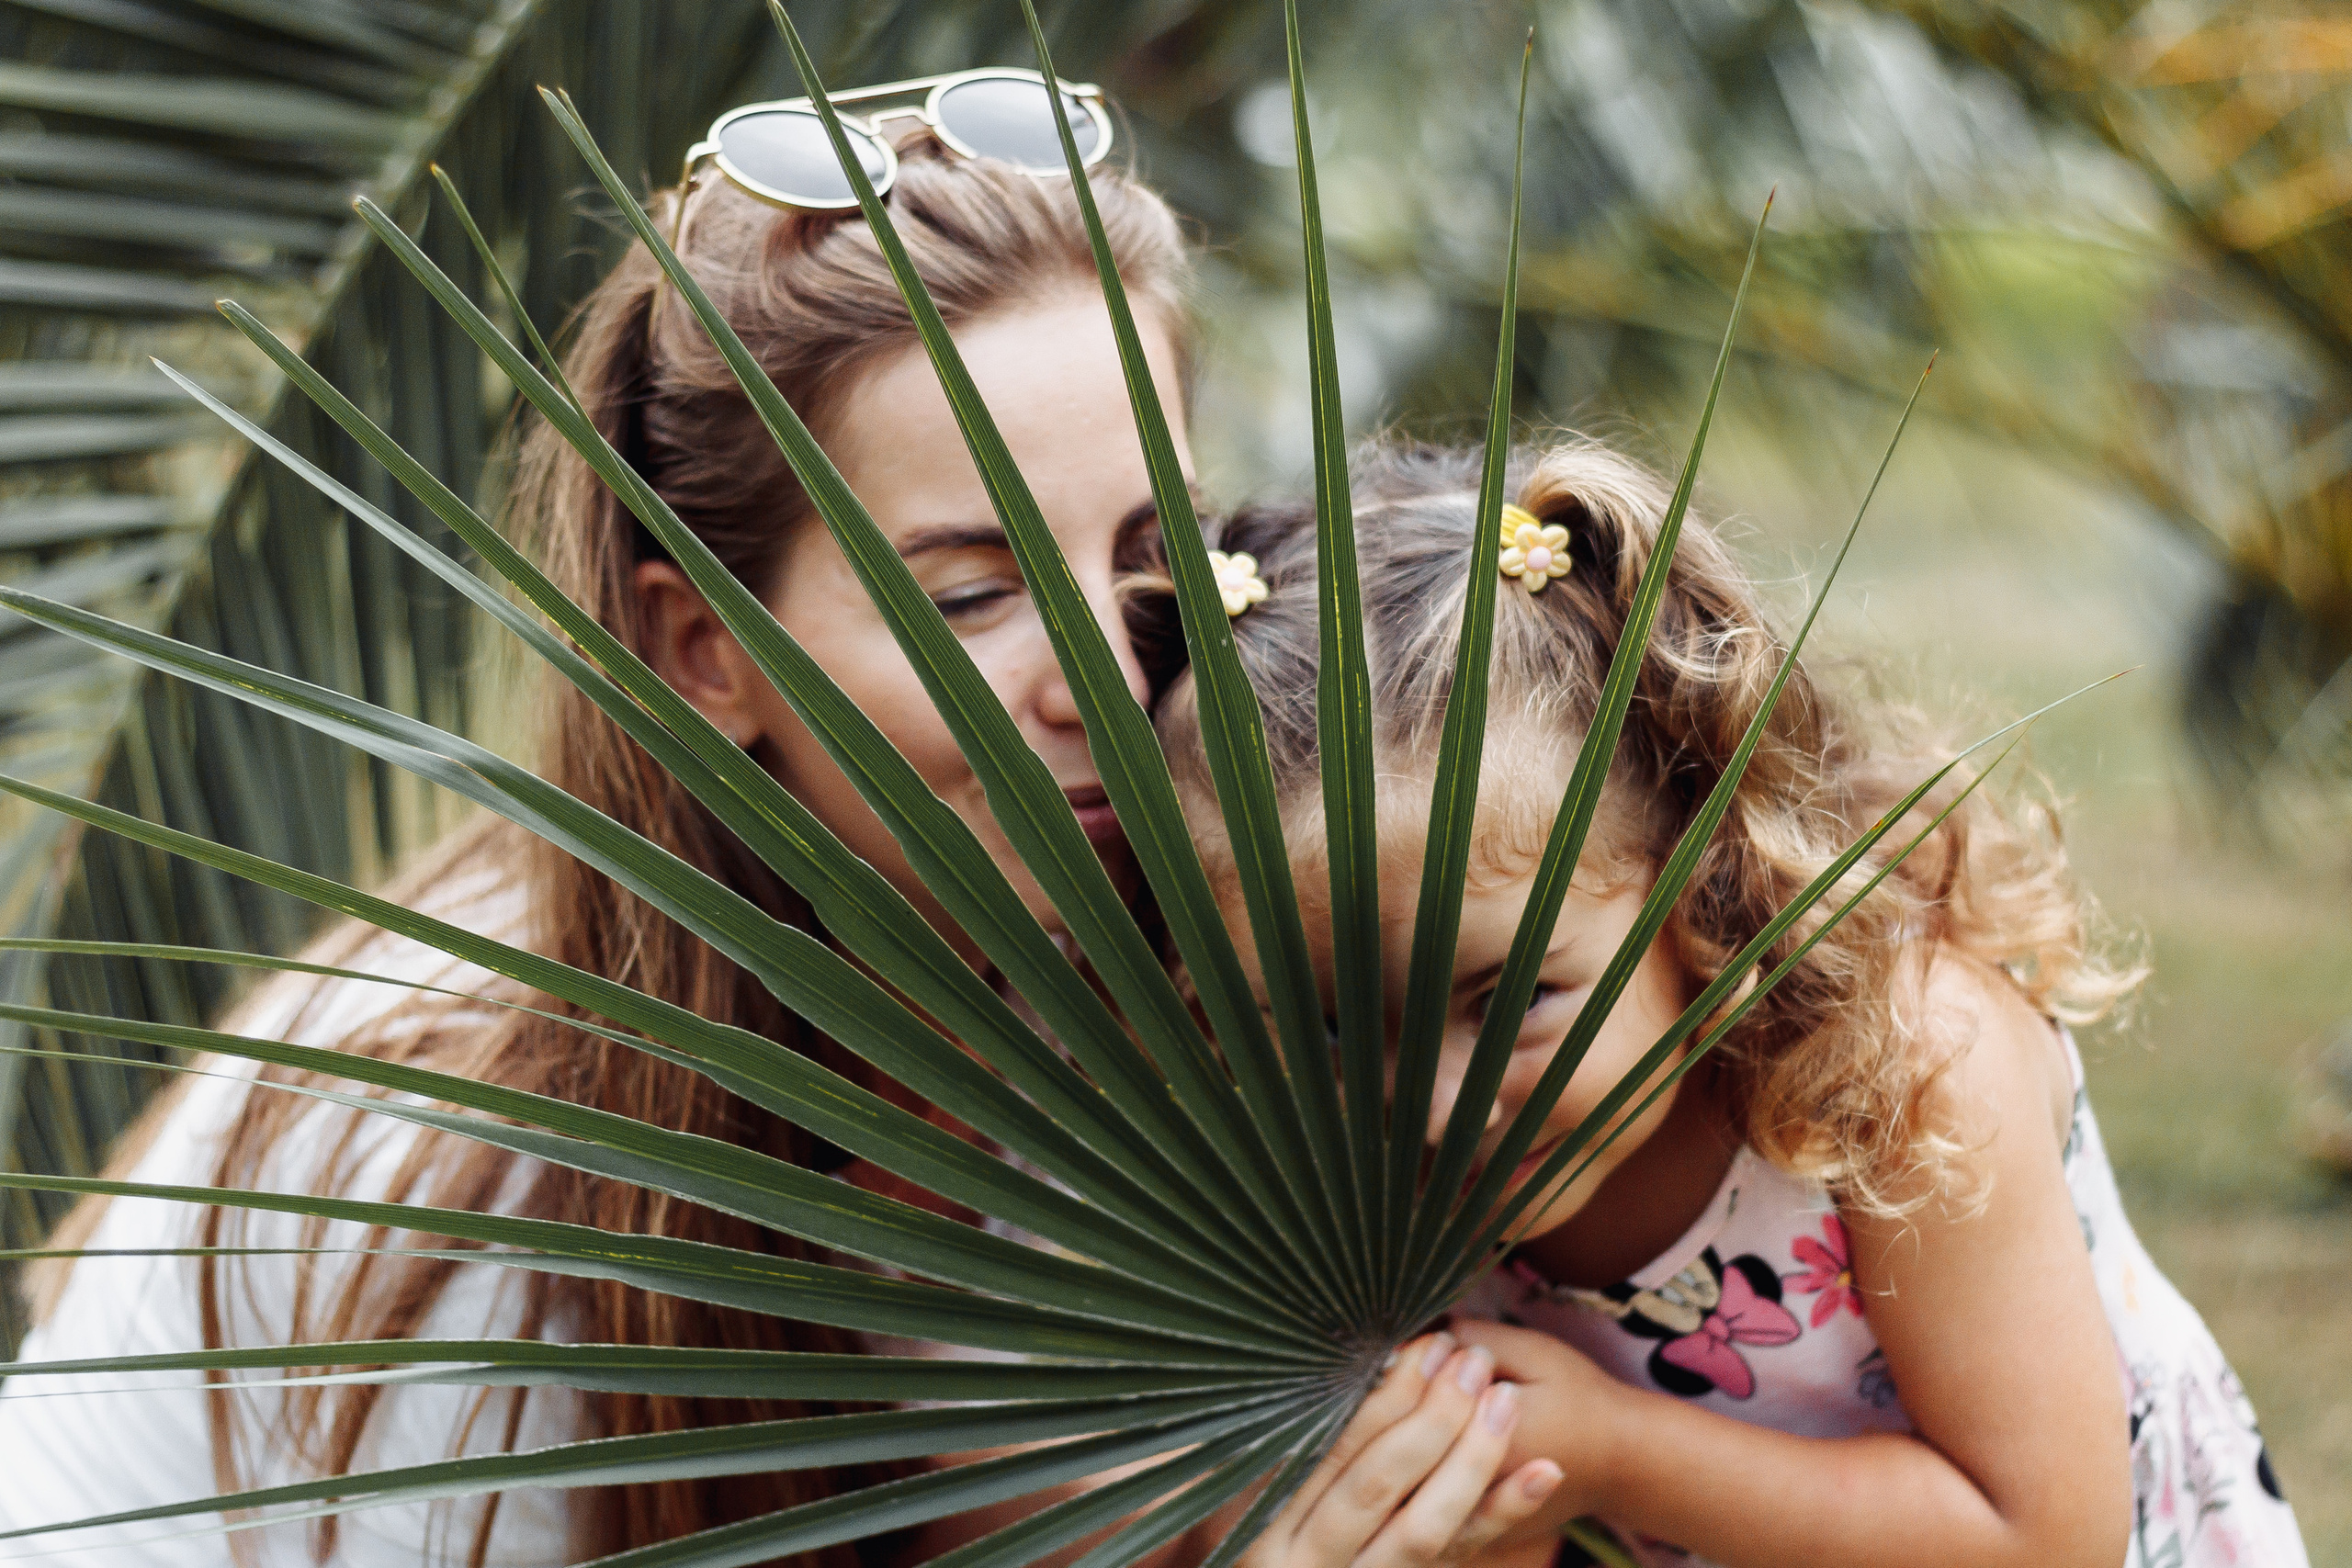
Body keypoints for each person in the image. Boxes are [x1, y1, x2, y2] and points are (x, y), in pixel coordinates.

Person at [0, 88, 1198, 1566]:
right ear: (705, 652)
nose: (1110, 673)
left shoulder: (1195, 999)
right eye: (966, 593)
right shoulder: (458, 1198)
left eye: (1152, 553)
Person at [1154, 439, 2310, 1568]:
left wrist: (1617, 1455)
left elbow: (2044, 1533)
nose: (1426, 1111)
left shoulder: (1904, 1071)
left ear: (1694, 888)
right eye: (1327, 1026)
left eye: (1510, 1000)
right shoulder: (1330, 1187)